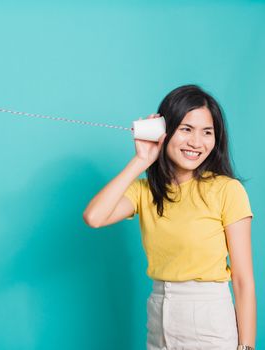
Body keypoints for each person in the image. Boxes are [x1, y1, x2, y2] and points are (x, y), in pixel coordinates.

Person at [83, 85, 256, 349]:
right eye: (186, 129)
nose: (197, 143)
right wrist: (141, 160)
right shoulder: (145, 192)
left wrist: (247, 346)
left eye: (207, 132)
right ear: (165, 131)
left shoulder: (227, 190)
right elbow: (94, 217)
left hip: (209, 321)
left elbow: (243, 279)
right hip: (159, 316)